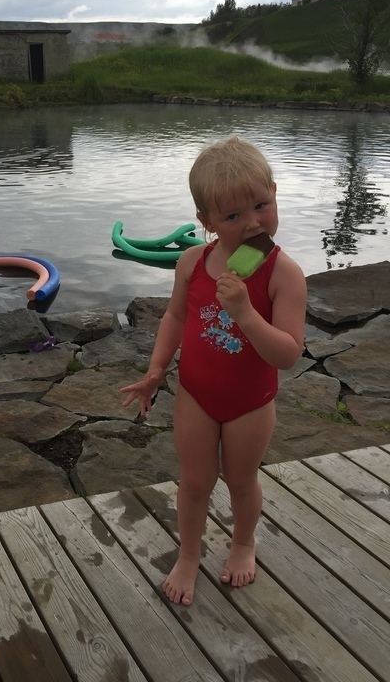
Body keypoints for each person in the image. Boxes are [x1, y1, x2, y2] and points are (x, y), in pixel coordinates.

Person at [121, 136, 307, 606]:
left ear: (275, 194)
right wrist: (157, 369)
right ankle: (188, 554)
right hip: (196, 395)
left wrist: (245, 313)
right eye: (233, 216)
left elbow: (288, 354)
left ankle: (243, 544)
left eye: (261, 205)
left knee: (241, 481)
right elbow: (175, 317)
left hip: (250, 403)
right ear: (206, 222)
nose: (253, 223)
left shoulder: (284, 274)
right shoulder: (193, 262)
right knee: (196, 481)